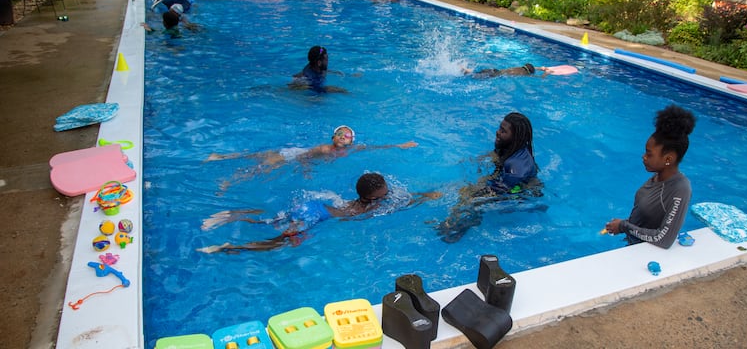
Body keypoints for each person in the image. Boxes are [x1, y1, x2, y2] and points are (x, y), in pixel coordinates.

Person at [197, 172, 442, 253]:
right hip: (314, 216)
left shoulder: (362, 199)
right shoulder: (371, 207)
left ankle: (232, 215)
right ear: (370, 198)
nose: (388, 196)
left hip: (312, 205)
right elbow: (403, 204)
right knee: (280, 241)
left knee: (268, 221)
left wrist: (425, 194)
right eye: (384, 194)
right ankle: (229, 247)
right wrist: (425, 198)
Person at [437, 112, 545, 243]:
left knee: (470, 197)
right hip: (508, 184)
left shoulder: (516, 167)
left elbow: (499, 191)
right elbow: (496, 156)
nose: (498, 132)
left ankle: (459, 228)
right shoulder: (511, 147)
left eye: (503, 131)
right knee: (465, 190)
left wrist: (472, 195)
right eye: (500, 128)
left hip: (519, 194)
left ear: (515, 137)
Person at [208, 125, 419, 190]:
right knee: (261, 166)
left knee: (256, 156)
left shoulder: (352, 150)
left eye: (346, 136)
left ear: (351, 142)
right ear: (332, 137)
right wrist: (306, 170)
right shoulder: (325, 149)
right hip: (291, 156)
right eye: (339, 134)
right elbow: (304, 157)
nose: (342, 137)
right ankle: (229, 181)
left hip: (294, 152)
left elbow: (374, 147)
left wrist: (399, 145)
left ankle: (220, 156)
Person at [604, 104, 696, 249]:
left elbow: (664, 239)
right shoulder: (657, 178)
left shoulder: (680, 189)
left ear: (668, 159)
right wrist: (622, 225)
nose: (644, 157)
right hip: (634, 246)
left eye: (649, 154)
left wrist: (623, 226)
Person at [463, 63, 578, 78]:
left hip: (496, 70)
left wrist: (540, 67)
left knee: (480, 72)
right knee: (478, 77)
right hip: (498, 75)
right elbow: (540, 78)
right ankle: (470, 73)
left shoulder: (521, 67)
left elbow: (531, 66)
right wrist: (546, 73)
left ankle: (468, 70)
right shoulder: (526, 74)